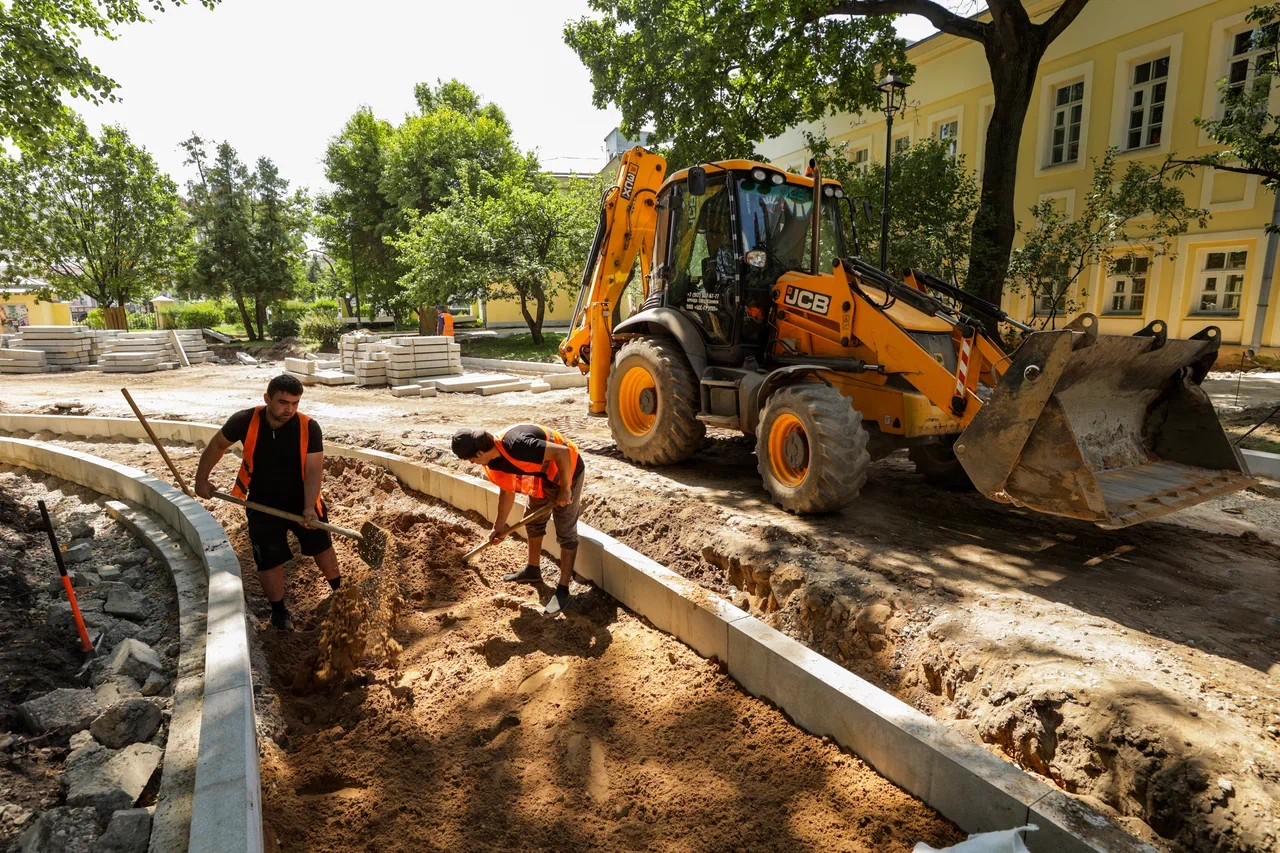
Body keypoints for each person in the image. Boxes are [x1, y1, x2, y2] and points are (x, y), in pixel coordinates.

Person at [194, 374, 340, 631]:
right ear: (267, 399)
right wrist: (201, 479)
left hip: (301, 500)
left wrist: (309, 508)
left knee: (321, 545)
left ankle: (339, 590)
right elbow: (217, 445)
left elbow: (314, 470)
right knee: (269, 558)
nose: (290, 409)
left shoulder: (309, 427)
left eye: (295, 403)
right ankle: (279, 612)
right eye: (284, 402)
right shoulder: (244, 420)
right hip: (262, 502)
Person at [451, 424, 584, 615]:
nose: (471, 463)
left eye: (470, 459)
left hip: (566, 471)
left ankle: (563, 590)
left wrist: (565, 489)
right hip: (542, 475)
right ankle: (533, 569)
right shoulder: (495, 459)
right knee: (533, 521)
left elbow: (562, 453)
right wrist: (498, 526)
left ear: (480, 453)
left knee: (565, 531)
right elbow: (507, 492)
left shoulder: (518, 445)